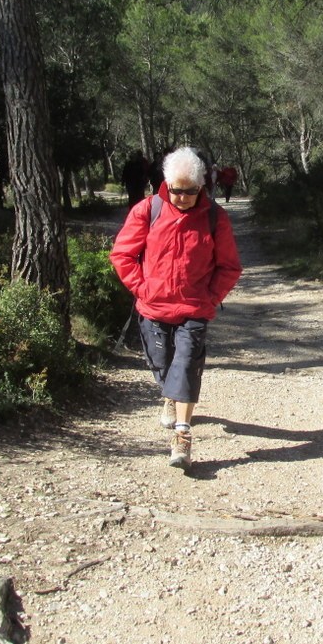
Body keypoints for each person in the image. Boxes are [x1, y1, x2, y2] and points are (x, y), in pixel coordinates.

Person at [110, 147, 243, 471]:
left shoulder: (215, 217)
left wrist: (210, 299)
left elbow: (229, 266)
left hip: (194, 308)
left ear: (203, 186)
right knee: (163, 365)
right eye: (177, 190)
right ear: (166, 184)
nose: (183, 197)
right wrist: (143, 289)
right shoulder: (147, 210)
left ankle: (183, 435)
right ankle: (169, 396)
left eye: (191, 191)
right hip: (153, 308)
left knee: (185, 366)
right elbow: (123, 255)